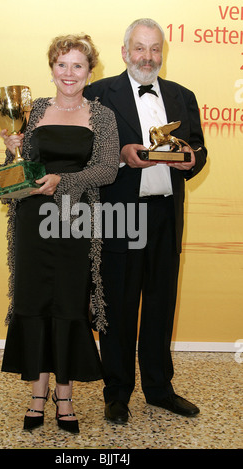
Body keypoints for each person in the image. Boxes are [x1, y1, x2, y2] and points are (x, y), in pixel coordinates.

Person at [84, 18, 207, 424]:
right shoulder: (98, 95)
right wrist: (121, 155)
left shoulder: (182, 96)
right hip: (121, 214)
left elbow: (198, 149)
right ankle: (117, 392)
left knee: (159, 305)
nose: (147, 57)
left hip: (165, 216)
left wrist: (192, 160)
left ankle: (159, 388)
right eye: (140, 48)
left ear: (162, 54)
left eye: (155, 49)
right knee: (118, 308)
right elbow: (84, 153)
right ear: (124, 52)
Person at [0, 34, 120, 434]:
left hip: (76, 222)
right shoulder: (32, 111)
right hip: (32, 222)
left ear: (90, 71)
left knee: (69, 304)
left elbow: (108, 170)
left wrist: (62, 181)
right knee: (34, 302)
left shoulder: (102, 116)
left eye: (78, 66)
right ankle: (38, 393)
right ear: (51, 67)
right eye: (61, 65)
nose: (69, 73)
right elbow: (17, 174)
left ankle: (64, 396)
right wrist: (11, 148)